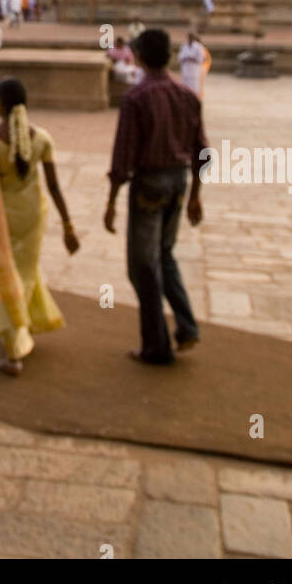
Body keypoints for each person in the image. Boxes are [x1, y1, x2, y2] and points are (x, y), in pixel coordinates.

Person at [0, 77, 79, 375]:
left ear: (0, 104)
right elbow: (54, 187)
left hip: (2, 220)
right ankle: (27, 324)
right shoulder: (42, 139)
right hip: (34, 216)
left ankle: (14, 353)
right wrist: (68, 225)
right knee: (24, 272)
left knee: (5, 277)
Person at [104, 28, 205, 365]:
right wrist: (195, 196)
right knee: (164, 254)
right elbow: (201, 151)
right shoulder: (187, 96)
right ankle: (187, 326)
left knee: (142, 266)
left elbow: (124, 155)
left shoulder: (136, 98)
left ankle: (156, 345)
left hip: (149, 184)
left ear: (141, 58)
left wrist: (112, 201)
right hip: (178, 183)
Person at [177, 31, 208, 98]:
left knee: (195, 85)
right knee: (185, 84)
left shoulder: (199, 47)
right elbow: (180, 57)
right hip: (186, 68)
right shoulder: (184, 46)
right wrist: (185, 58)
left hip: (195, 69)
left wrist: (193, 58)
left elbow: (202, 58)